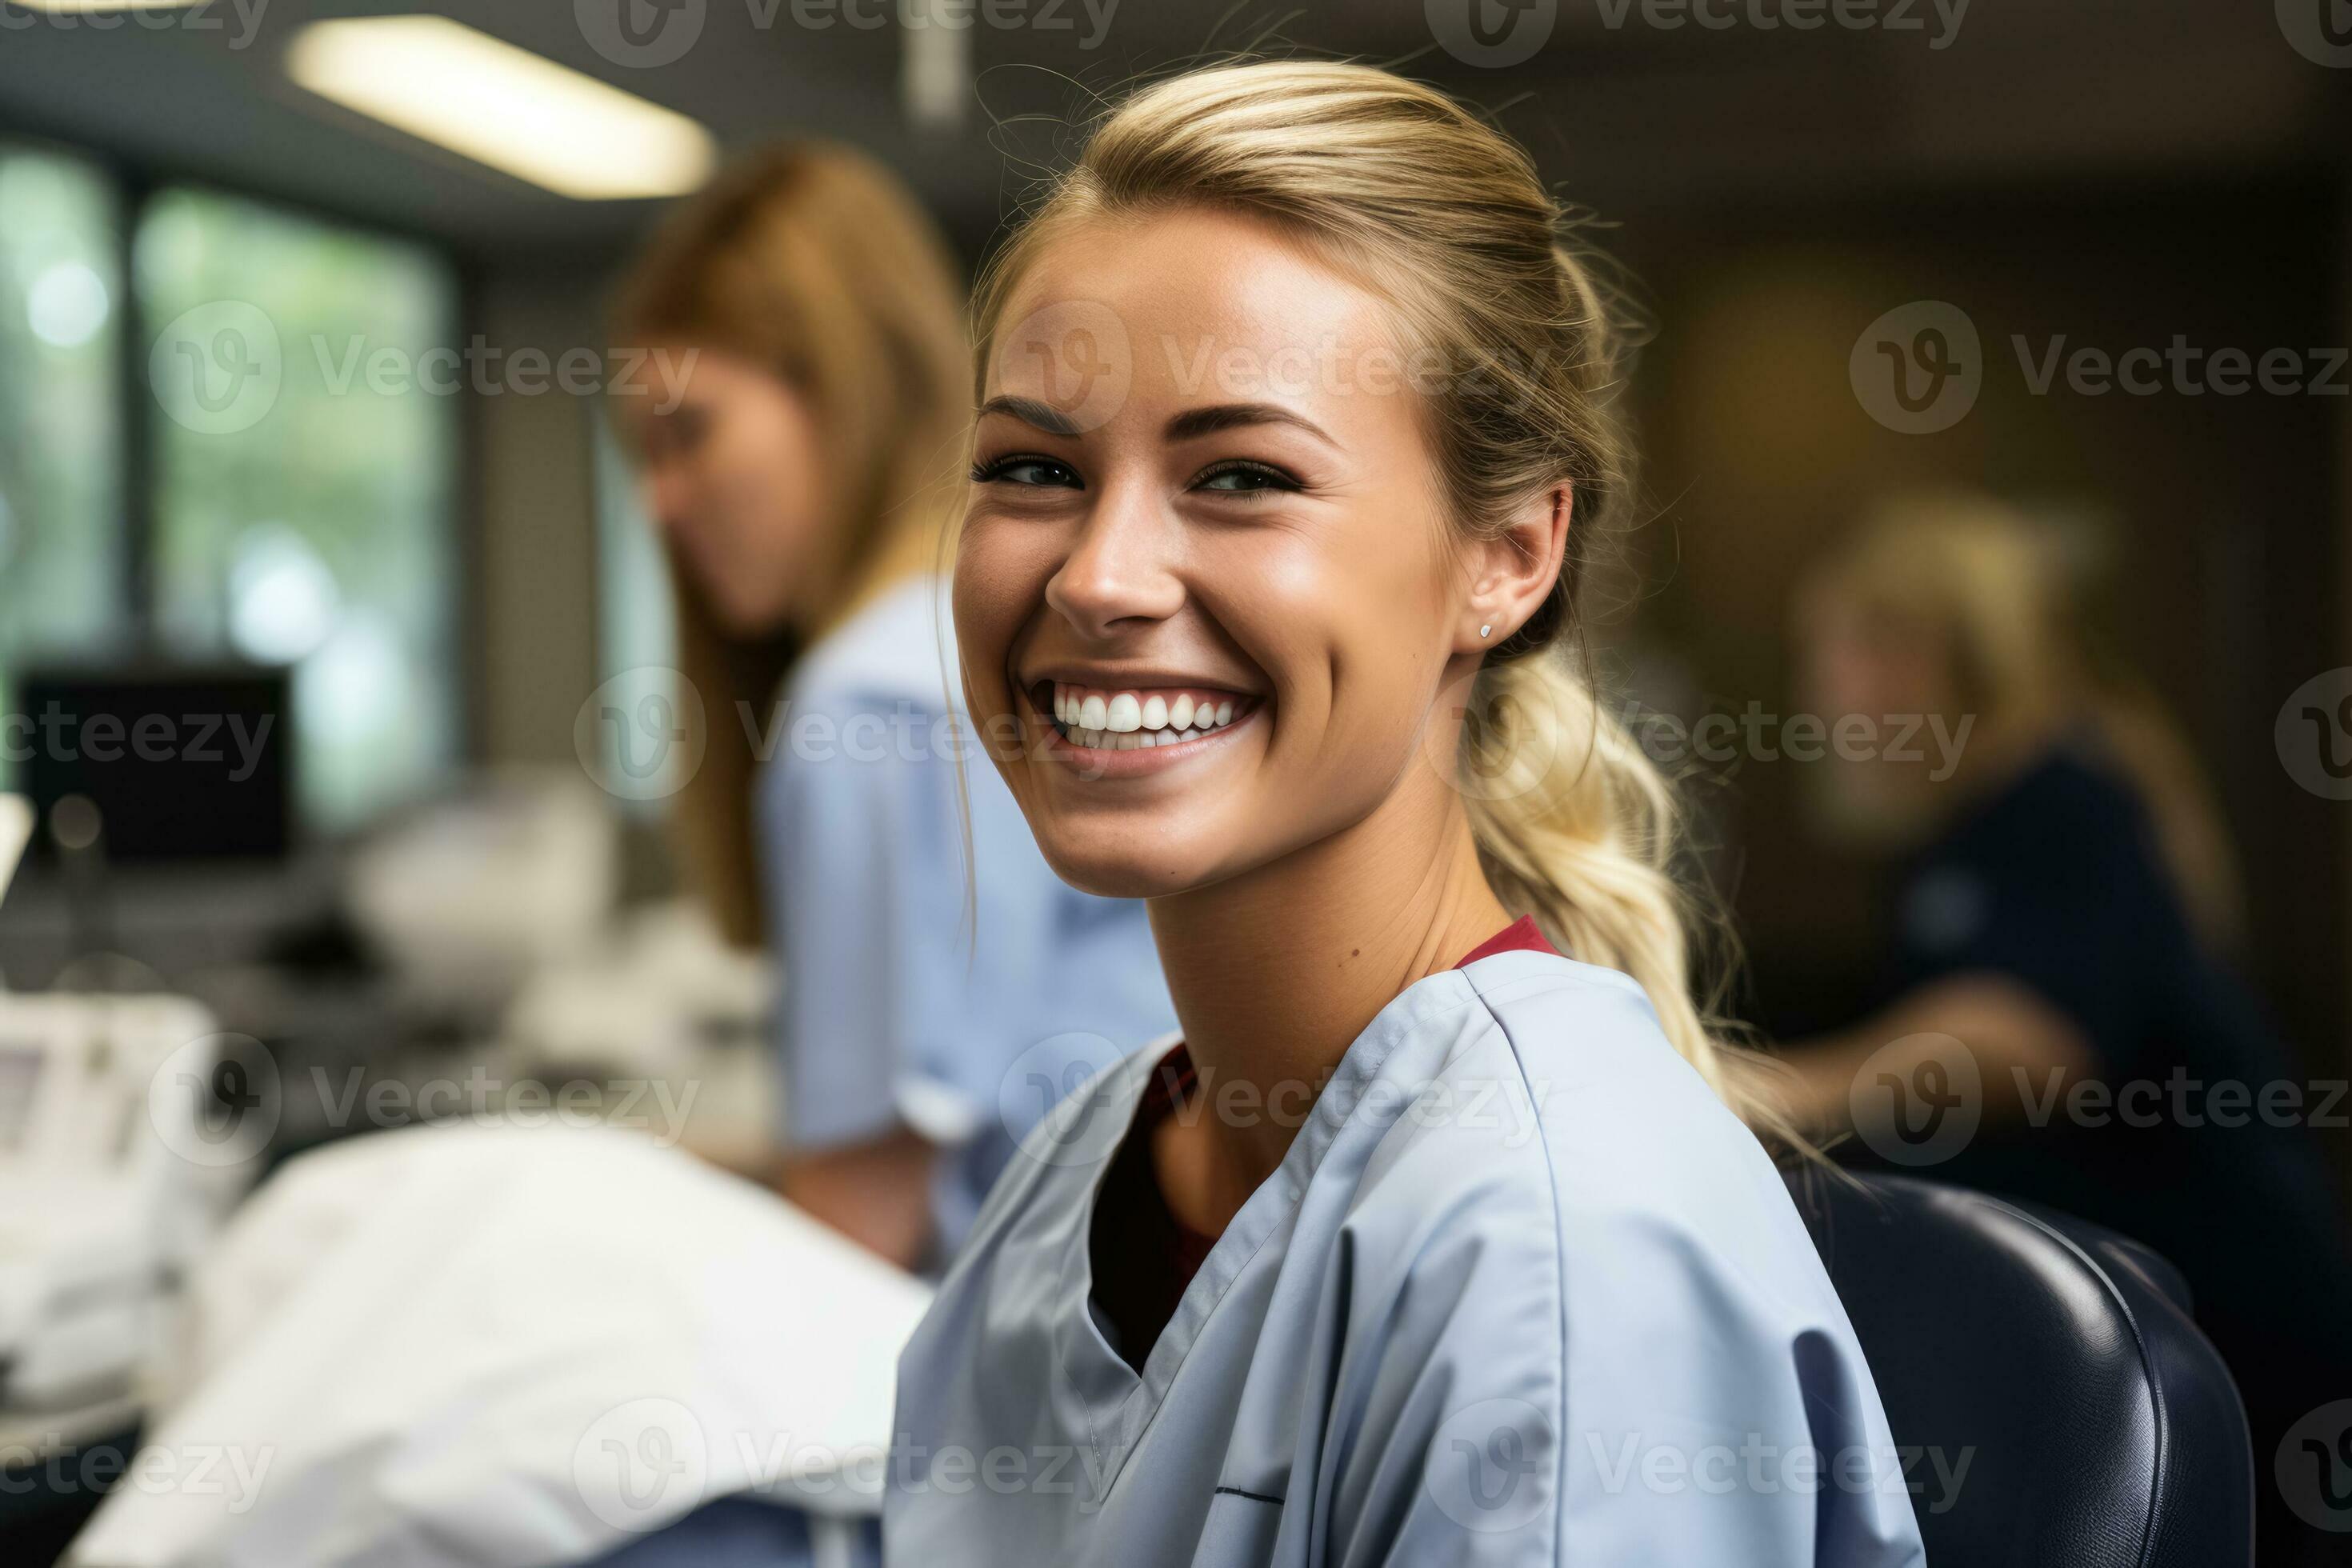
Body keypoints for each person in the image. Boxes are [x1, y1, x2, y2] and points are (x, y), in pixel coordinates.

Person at [886, 62, 1926, 1564]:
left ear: (1506, 553)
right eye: (1033, 469)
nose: (1098, 578)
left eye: (1241, 475)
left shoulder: (1555, 1251)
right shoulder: (1079, 1181)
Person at [590, 145, 1176, 1566]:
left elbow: (858, 1224)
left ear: (834, 399)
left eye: (692, 437)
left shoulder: (864, 700)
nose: (662, 506)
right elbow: (945, 1122)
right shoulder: (959, 661)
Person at [1775, 494, 2352, 1567]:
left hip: (2242, 1362)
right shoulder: (1975, 830)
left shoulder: (2063, 801)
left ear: (1935, 658)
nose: (1820, 695)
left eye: (1848, 653)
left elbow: (2025, 1034)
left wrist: (1782, 1095)